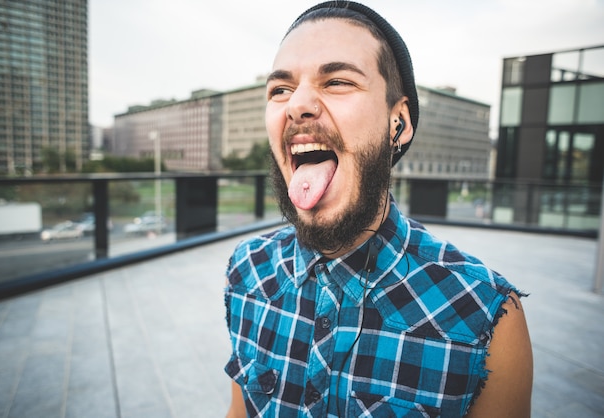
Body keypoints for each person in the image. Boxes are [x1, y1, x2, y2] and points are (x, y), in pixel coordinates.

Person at [224, 2, 533, 417]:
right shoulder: (246, 273)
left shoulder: (486, 318)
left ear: (398, 123)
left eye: (336, 81)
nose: (296, 104)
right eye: (280, 89)